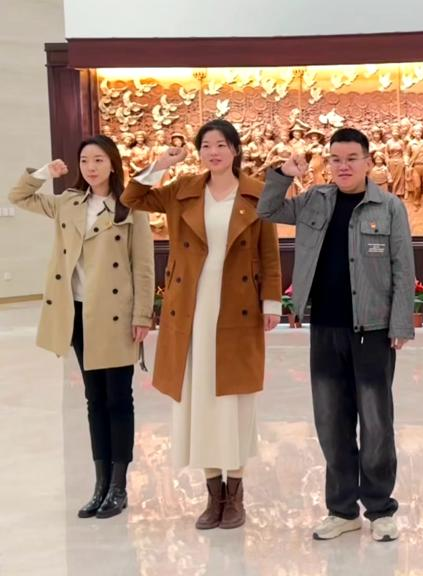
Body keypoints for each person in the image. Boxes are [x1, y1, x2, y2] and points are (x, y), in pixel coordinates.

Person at [122, 119, 282, 530]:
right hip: (190, 307)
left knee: (235, 400)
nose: (214, 152)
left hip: (238, 308)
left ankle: (236, 494)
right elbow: (132, 197)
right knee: (200, 398)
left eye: (222, 144)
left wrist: (271, 302)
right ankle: (214, 495)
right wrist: (160, 164)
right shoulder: (183, 190)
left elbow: (269, 254)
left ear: (235, 150)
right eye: (207, 145)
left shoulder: (256, 193)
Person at [257, 128, 415, 543]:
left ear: (368, 162)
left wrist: (400, 323)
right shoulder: (314, 200)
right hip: (325, 328)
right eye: (336, 159)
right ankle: (342, 510)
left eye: (351, 158)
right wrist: (283, 174)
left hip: (372, 330)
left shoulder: (389, 207)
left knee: (376, 423)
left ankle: (380, 509)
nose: (343, 166)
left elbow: (403, 265)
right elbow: (267, 210)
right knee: (331, 422)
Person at [8, 135, 154, 519]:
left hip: (116, 315)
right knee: (94, 400)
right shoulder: (68, 202)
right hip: (77, 312)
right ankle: (100, 484)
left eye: (99, 160)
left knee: (118, 399)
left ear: (113, 164)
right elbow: (18, 197)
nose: (91, 167)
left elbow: (143, 265)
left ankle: (118, 486)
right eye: (85, 160)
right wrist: (45, 172)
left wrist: (142, 315)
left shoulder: (130, 206)